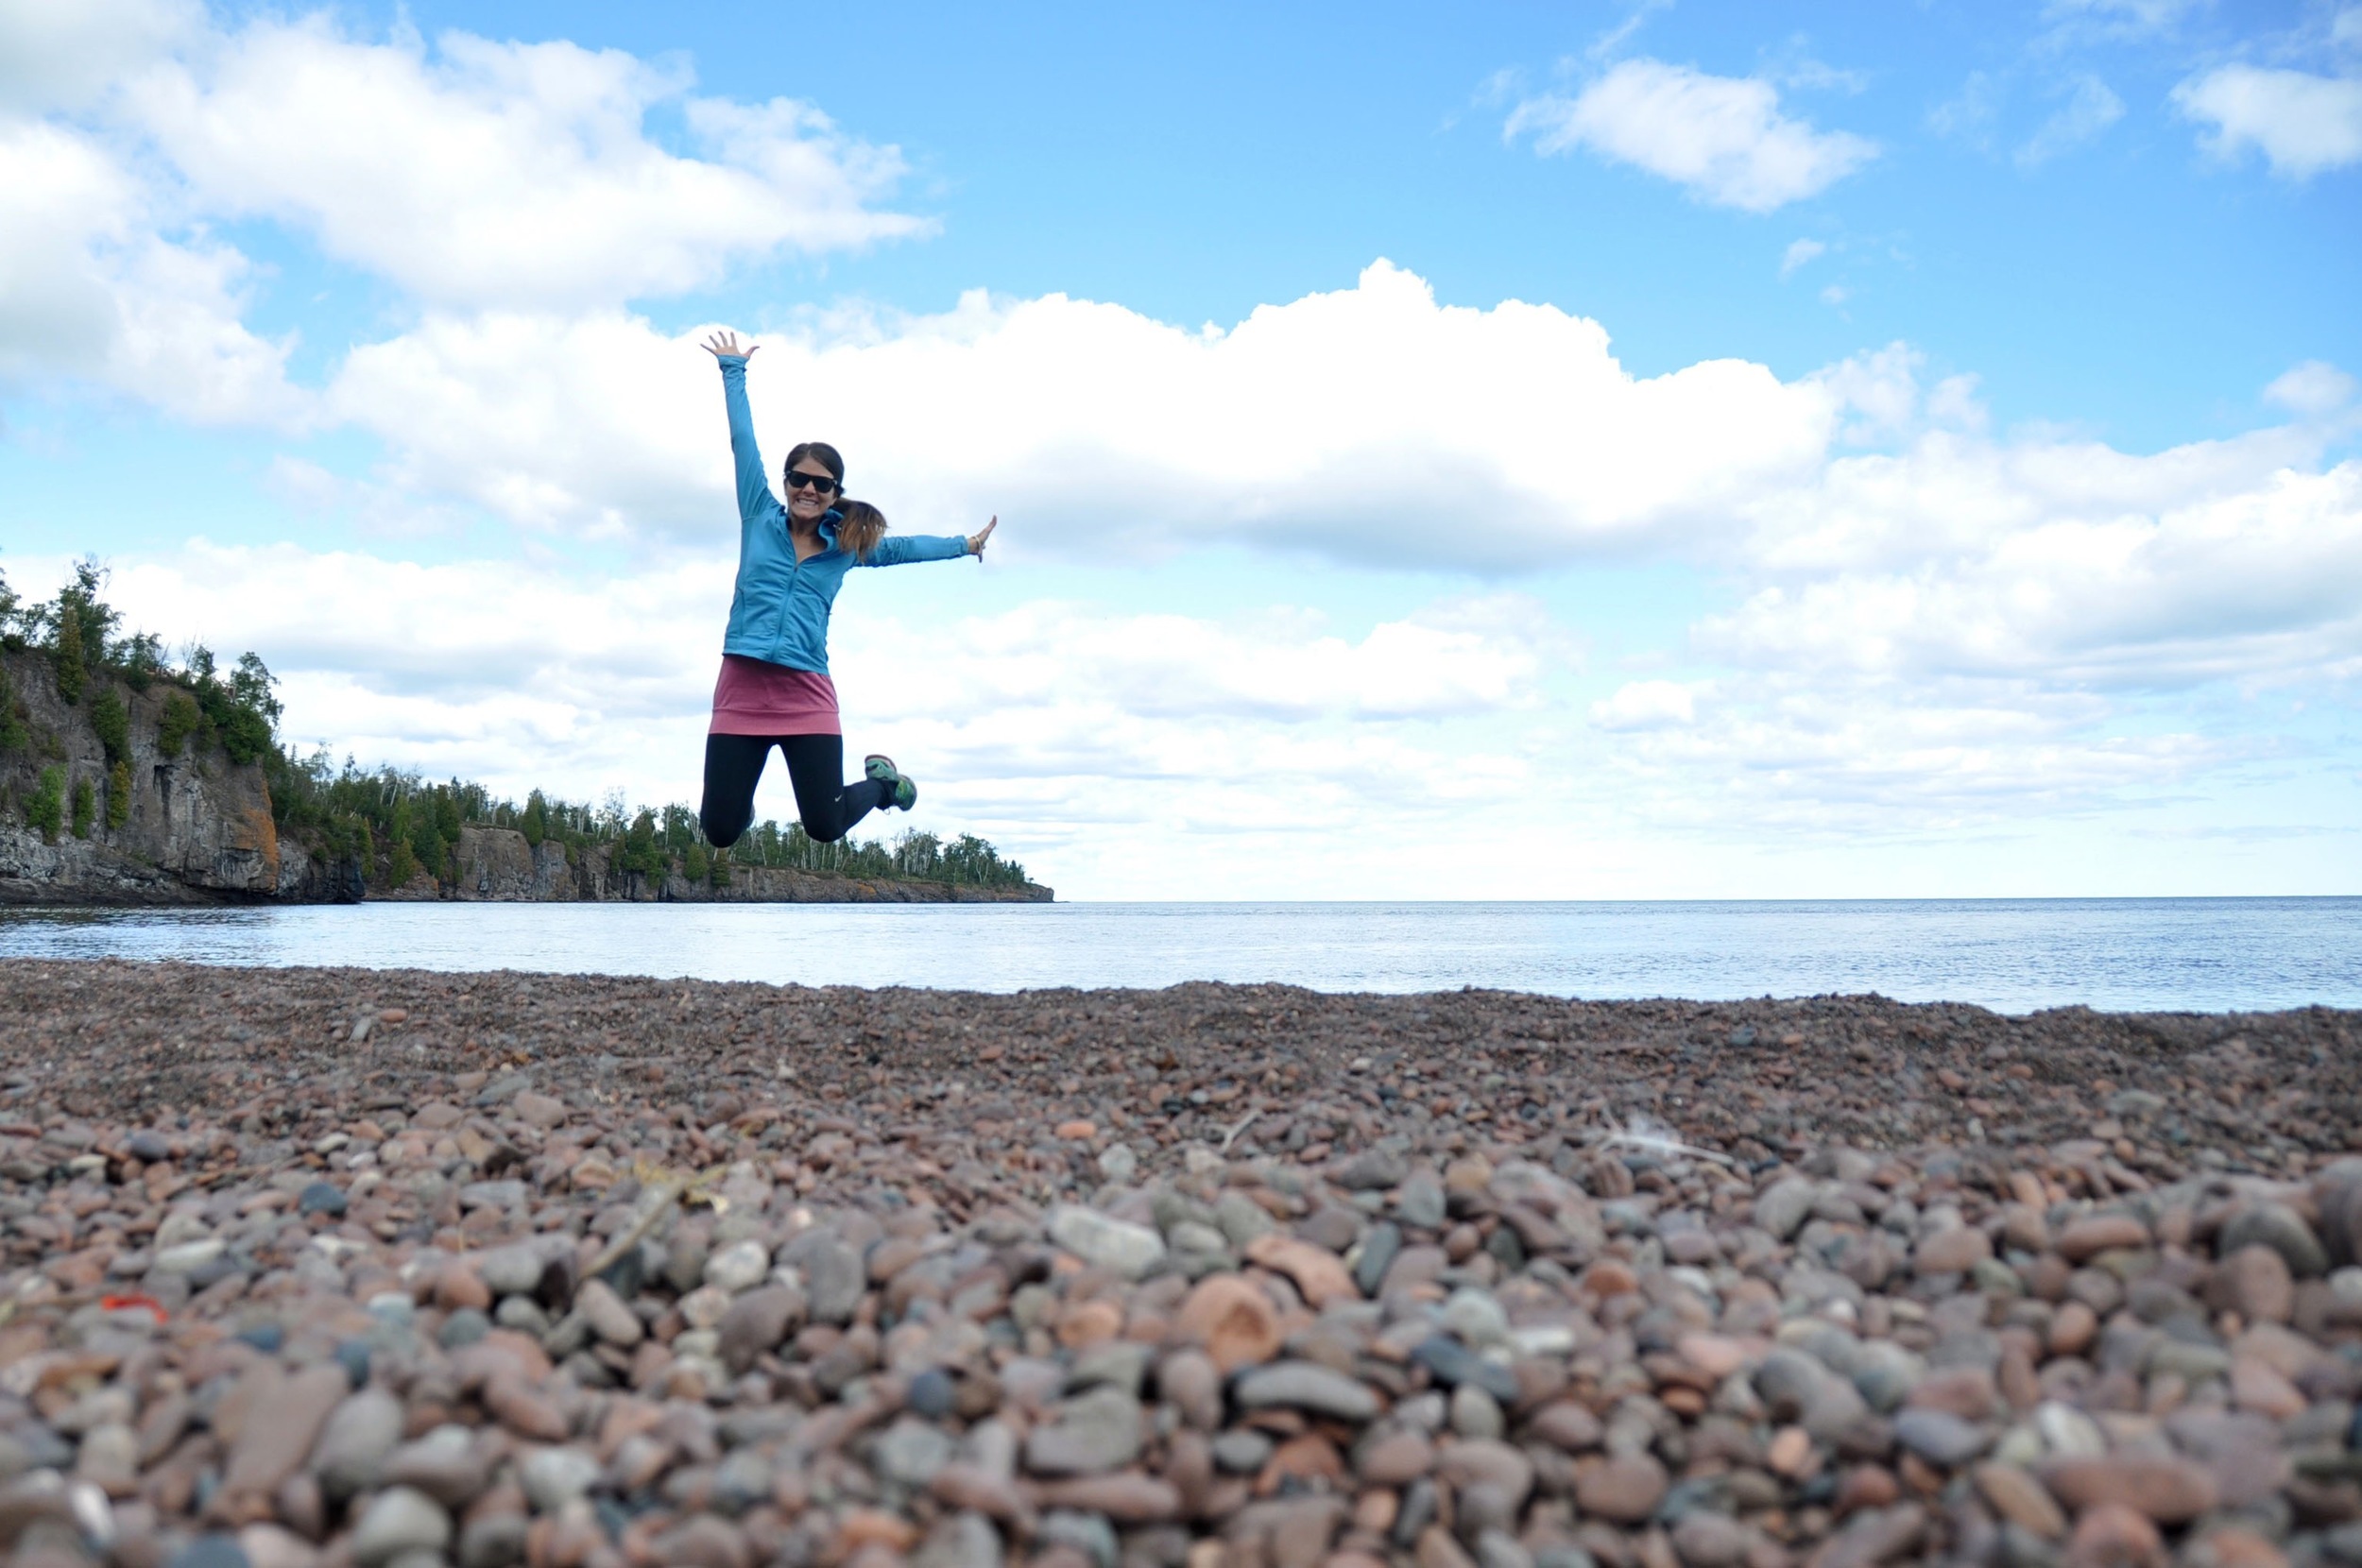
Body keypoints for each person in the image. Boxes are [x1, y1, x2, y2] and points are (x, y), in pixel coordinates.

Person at [695, 329, 996, 851]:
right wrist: (732, 371)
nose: (807, 488)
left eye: (821, 483)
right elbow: (743, 442)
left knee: (824, 826)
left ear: (836, 492)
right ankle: (736, 797)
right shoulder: (758, 516)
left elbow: (904, 548)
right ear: (786, 483)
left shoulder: (846, 546)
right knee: (720, 830)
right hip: (741, 686)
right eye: (798, 479)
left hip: (805, 690)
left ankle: (885, 784)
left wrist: (966, 543)